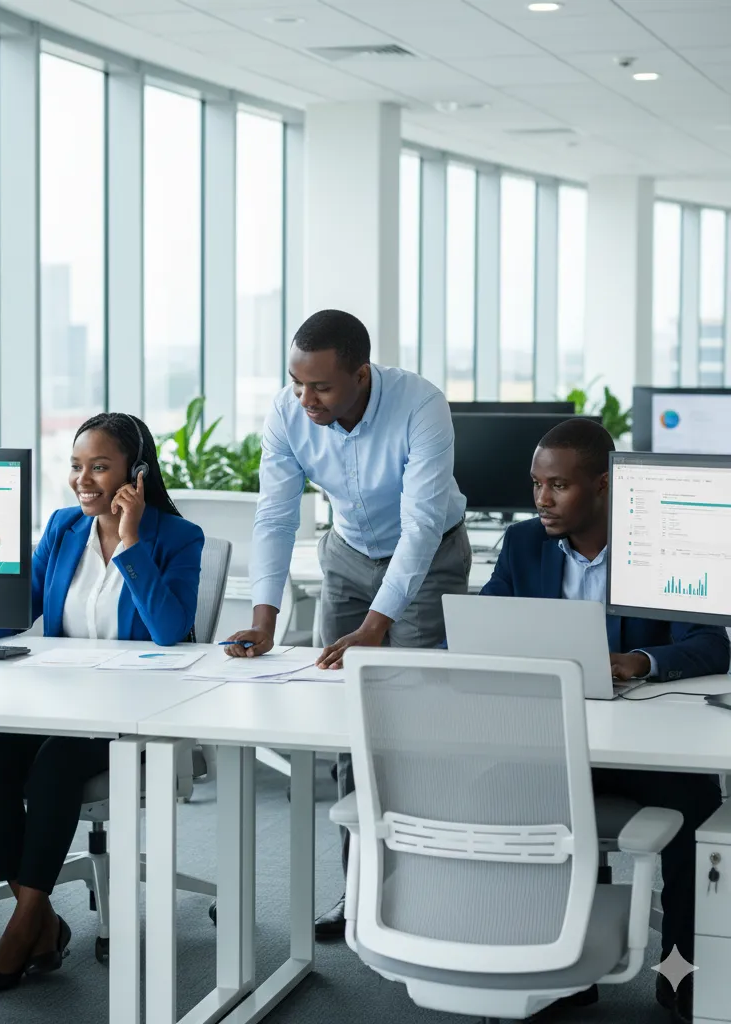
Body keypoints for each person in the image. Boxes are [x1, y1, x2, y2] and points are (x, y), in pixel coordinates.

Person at [0, 412, 204, 993]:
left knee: (52, 770)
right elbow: (25, 607)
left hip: (134, 712)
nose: (84, 480)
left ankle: (24, 927)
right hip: (60, 704)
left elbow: (170, 630)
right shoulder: (63, 528)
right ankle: (40, 913)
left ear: (136, 473)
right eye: (77, 466)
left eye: (100, 466)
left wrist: (129, 543)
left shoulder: (178, 538)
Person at [224, 309, 471, 938]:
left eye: (321, 388)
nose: (304, 399)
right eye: (296, 383)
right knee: (348, 723)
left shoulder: (421, 406)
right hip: (349, 555)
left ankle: (431, 893)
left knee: (420, 728)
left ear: (361, 375)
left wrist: (377, 624)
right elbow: (276, 516)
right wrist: (265, 618)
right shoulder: (287, 411)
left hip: (429, 560)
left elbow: (419, 526)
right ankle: (358, 890)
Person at [481, 417, 728, 1024]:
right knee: (519, 804)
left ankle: (681, 971)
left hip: (649, 748)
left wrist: (640, 661)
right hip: (559, 739)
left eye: (558, 486)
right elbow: (485, 616)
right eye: (537, 484)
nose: (542, 499)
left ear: (603, 486)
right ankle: (566, 971)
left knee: (692, 819)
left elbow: (713, 643)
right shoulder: (524, 544)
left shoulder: (658, 544)